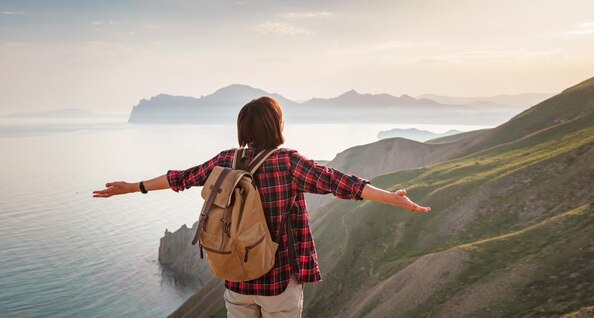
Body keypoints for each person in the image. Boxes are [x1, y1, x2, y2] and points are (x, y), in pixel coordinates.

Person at [93, 96, 431, 318]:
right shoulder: (288, 162)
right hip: (279, 283)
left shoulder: (226, 160)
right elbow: (340, 183)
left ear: (243, 128)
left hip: (235, 281)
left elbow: (181, 178)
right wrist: (393, 198)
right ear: (276, 126)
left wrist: (133, 187)